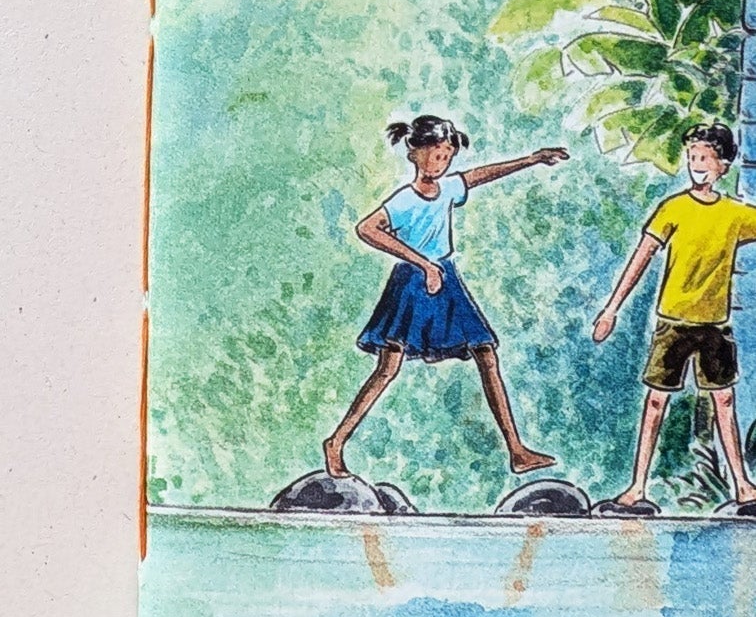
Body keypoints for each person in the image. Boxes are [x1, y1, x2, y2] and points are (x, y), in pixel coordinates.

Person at [320, 114, 568, 480]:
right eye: (436, 154)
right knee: (388, 368)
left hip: (445, 279)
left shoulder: (449, 188)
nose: (442, 162)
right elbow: (367, 228)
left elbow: (481, 175)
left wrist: (533, 159)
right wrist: (422, 264)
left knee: (486, 353)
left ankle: (517, 450)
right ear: (414, 153)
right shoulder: (404, 200)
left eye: (447, 155)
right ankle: (336, 442)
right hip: (411, 283)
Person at [589, 123, 756, 516]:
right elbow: (641, 257)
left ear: (723, 165)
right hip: (674, 322)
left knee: (724, 401)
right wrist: (611, 309)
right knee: (655, 402)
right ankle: (636, 488)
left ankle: (743, 486)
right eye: (693, 157)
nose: (697, 165)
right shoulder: (673, 208)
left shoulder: (735, 214)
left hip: (714, 326)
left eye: (705, 158)